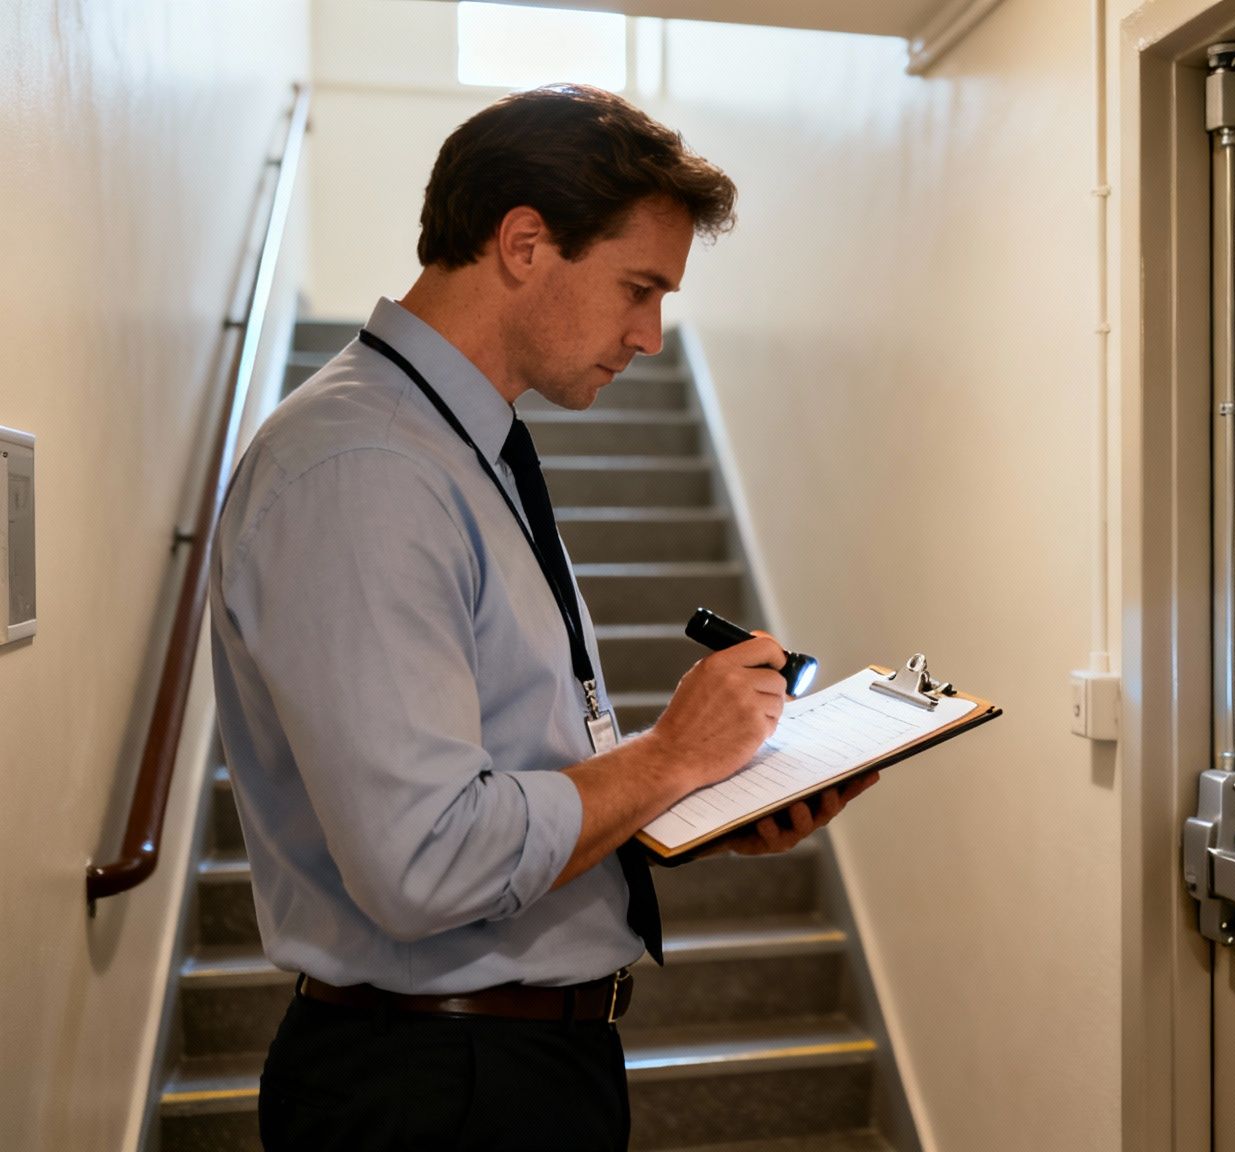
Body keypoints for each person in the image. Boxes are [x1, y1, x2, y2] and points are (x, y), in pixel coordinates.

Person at [208, 83, 873, 1151]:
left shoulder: (459, 447)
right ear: (523, 243)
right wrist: (667, 757)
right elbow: (424, 858)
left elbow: (508, 768)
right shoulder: (362, 467)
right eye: (638, 288)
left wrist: (693, 801)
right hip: (435, 1089)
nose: (651, 335)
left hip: (501, 1067)